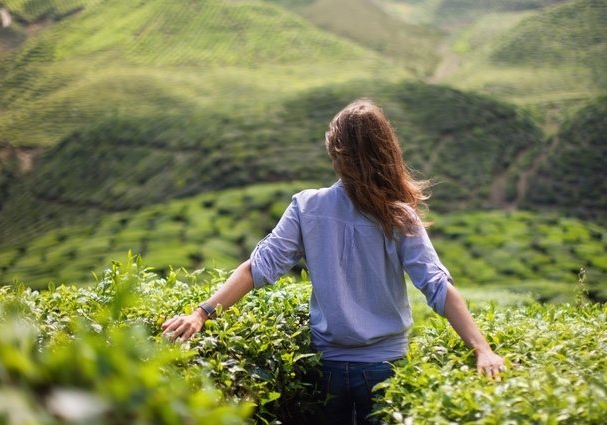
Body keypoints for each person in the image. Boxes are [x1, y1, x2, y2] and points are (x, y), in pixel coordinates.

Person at [161, 99, 505, 424]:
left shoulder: (307, 207)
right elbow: (437, 286)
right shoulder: (400, 216)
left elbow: (257, 268)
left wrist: (201, 313)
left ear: (336, 153)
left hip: (326, 368)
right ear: (386, 152)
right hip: (387, 365)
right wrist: (482, 349)